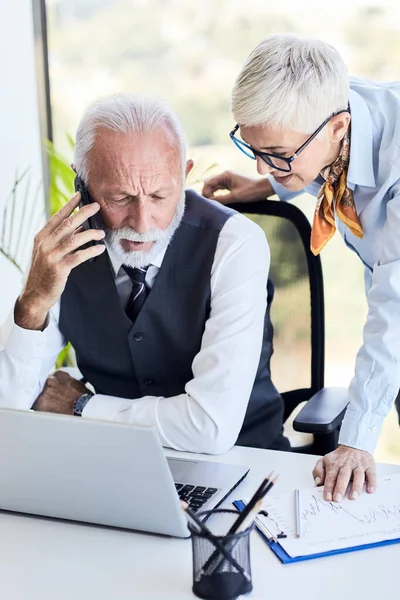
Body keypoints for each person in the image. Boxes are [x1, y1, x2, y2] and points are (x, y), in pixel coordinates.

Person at [0, 93, 289, 453]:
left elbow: (209, 428)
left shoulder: (235, 244)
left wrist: (82, 407)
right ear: (82, 184)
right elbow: (8, 409)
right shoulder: (60, 251)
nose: (142, 223)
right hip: (110, 459)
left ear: (184, 174)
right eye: (120, 199)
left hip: (241, 460)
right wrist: (32, 304)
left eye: (159, 196)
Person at [203, 34, 400, 501]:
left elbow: (395, 309)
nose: (265, 165)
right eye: (254, 149)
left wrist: (355, 438)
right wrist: (272, 184)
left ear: (338, 127)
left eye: (277, 156)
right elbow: (315, 159)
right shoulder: (324, 110)